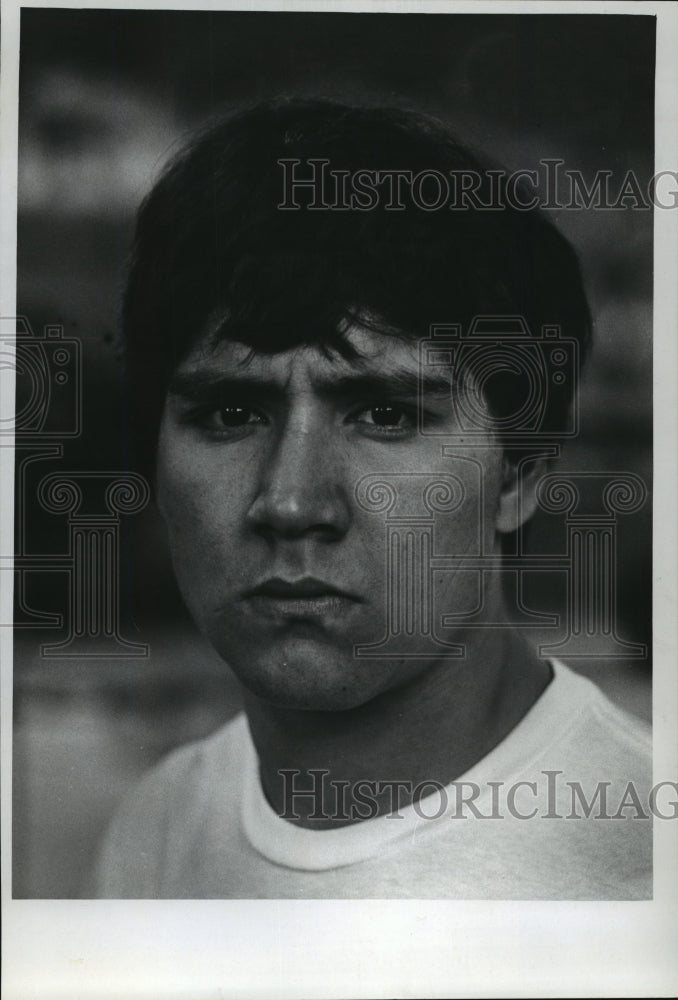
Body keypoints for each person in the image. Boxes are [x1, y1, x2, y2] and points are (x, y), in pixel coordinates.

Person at [95, 99, 651, 899]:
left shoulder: (639, 865)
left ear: (518, 474)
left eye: (386, 415)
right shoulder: (156, 829)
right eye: (231, 413)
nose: (290, 501)